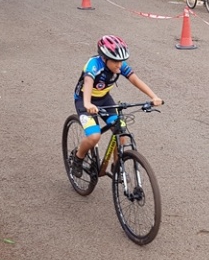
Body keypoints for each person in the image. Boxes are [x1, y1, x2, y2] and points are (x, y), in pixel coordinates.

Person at [69, 35, 163, 178]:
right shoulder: (94, 65)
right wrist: (88, 104)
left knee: (121, 132)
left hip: (105, 100)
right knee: (94, 136)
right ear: (104, 58)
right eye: (115, 62)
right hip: (84, 100)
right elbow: (88, 83)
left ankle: (117, 165)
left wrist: (153, 97)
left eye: (121, 61)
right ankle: (78, 157)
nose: (119, 65)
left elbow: (135, 80)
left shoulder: (120, 66)